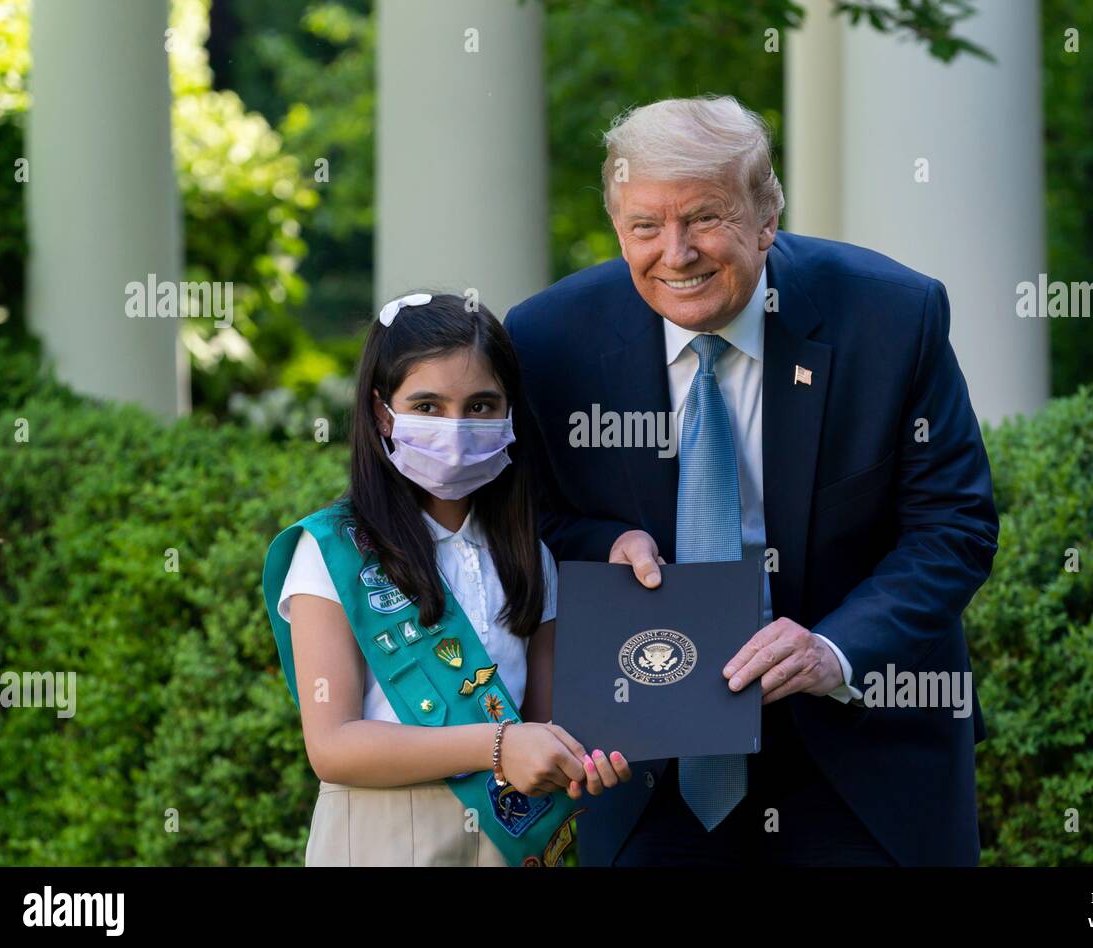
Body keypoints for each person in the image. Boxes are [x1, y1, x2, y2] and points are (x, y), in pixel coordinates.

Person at [505, 95, 1000, 866]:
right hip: (645, 771)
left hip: (861, 762)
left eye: (705, 218)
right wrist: (607, 542)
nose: (676, 253)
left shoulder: (892, 316)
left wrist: (834, 650)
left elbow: (954, 527)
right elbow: (525, 525)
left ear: (766, 215)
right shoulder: (545, 340)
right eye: (644, 226)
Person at [262, 292, 630, 866]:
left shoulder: (531, 556)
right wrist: (500, 745)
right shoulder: (331, 550)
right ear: (383, 412)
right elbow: (332, 746)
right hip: (379, 832)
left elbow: (542, 721)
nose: (456, 429)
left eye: (482, 406)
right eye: (428, 406)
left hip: (508, 838)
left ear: (510, 414)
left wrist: (582, 759)